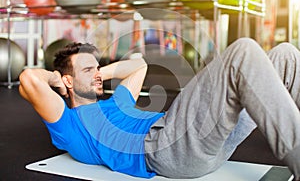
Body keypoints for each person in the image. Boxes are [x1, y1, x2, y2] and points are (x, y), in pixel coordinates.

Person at [19, 38, 300, 180]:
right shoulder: (70, 124)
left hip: (207, 144)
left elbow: (138, 65)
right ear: (67, 80)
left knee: (286, 55)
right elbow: (29, 79)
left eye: (97, 67)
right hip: (166, 147)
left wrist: (96, 72)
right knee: (243, 51)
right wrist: (58, 79)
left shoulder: (117, 102)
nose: (96, 74)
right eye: (87, 69)